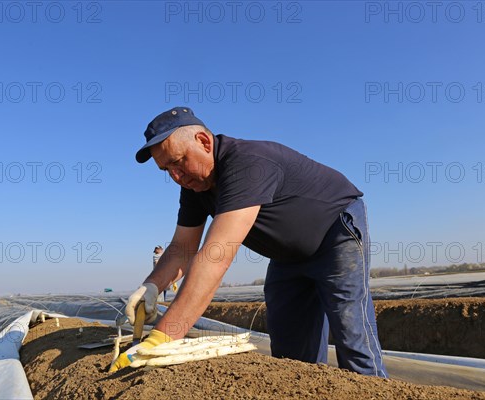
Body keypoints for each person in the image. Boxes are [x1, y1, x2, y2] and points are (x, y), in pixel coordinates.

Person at [111, 107, 387, 378]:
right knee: (290, 354)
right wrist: (151, 286)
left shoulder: (247, 163)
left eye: (179, 161)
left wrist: (162, 338)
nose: (176, 177)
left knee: (352, 336)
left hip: (334, 233)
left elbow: (215, 257)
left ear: (204, 142)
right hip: (287, 255)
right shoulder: (194, 186)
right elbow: (182, 248)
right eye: (166, 169)